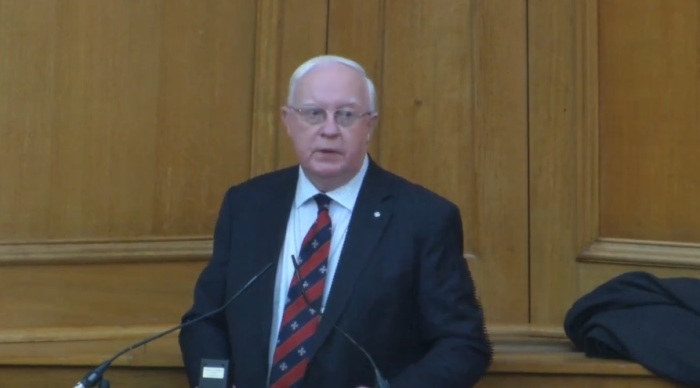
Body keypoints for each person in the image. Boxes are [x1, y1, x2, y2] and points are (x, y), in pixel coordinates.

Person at [178, 54, 492, 388]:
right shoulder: (247, 205)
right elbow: (205, 321)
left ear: (369, 125)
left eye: (346, 115)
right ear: (288, 121)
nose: (329, 129)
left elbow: (463, 344)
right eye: (313, 113)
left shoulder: (423, 218)